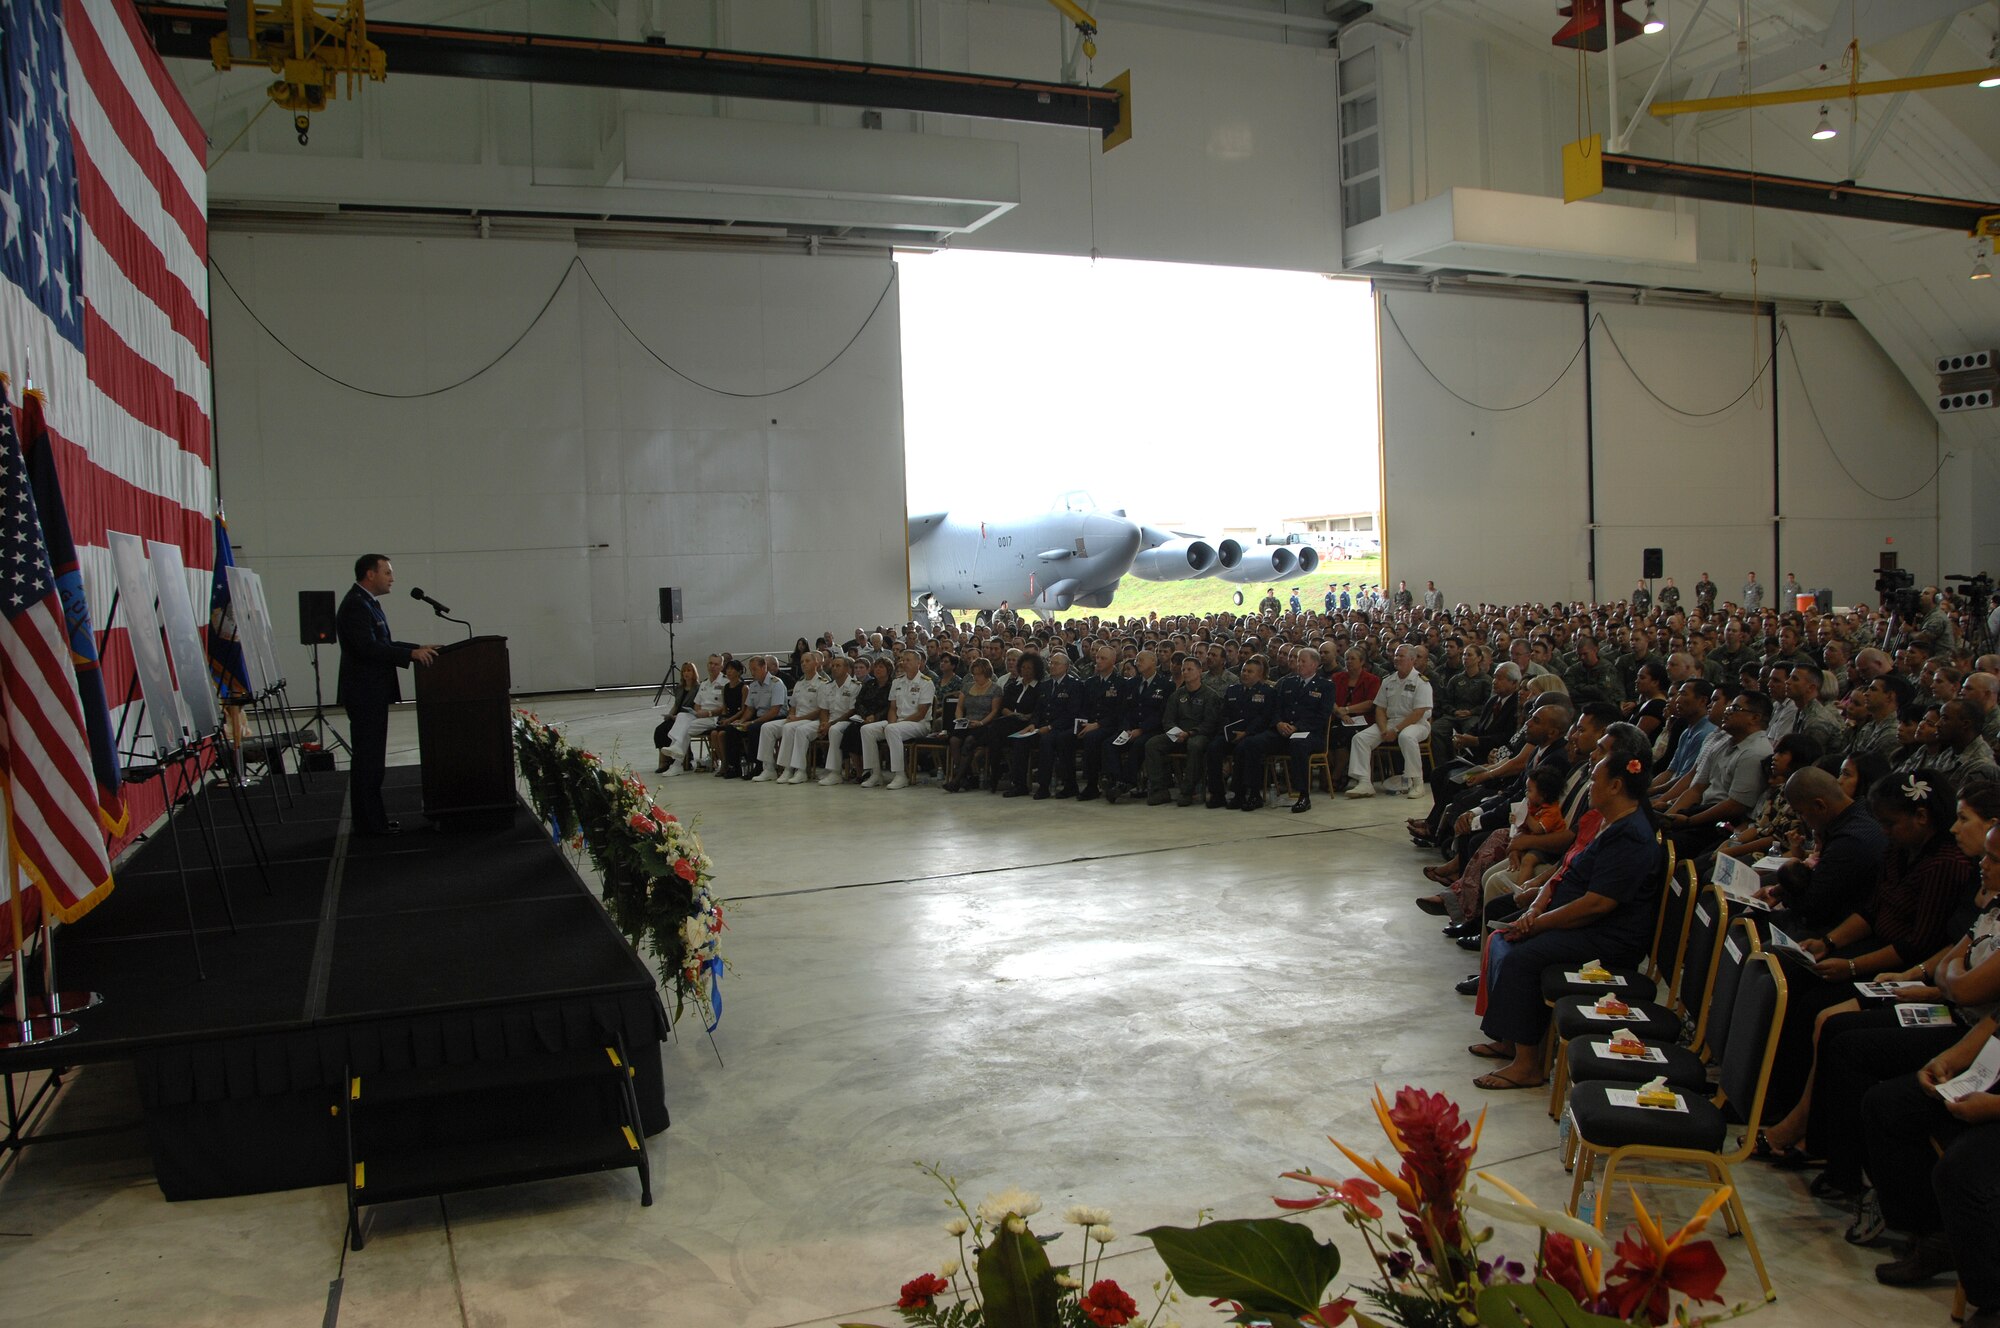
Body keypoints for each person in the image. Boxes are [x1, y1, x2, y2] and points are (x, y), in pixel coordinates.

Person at [1469, 723, 1664, 1090]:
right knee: (1502, 935)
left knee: (1521, 954)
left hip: (1608, 937)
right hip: (1578, 918)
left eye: (1595, 780)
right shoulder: (1609, 821)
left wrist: (1539, 924)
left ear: (1617, 786)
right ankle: (1508, 1038)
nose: (1589, 785)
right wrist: (1537, 908)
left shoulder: (1633, 835)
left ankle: (1528, 1065)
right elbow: (1568, 869)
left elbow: (1597, 904)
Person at [336, 555, 440, 835]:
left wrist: (417, 647)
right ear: (370, 574)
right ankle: (370, 826)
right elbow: (367, 649)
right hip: (364, 692)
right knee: (367, 760)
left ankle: (374, 821)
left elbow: (384, 643)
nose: (392, 578)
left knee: (372, 760)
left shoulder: (367, 602)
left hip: (372, 692)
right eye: (388, 572)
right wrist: (410, 654)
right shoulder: (356, 605)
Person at [1346, 645, 1433, 799]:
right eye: (1396, 655)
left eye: (1401, 656)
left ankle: (1417, 782)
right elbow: (1380, 708)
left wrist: (1397, 730)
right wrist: (1384, 728)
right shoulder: (1388, 680)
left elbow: (1418, 712)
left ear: (1412, 660)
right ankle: (1364, 782)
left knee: (1406, 737)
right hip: (1390, 723)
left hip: (1416, 724)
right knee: (1360, 738)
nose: (1396, 658)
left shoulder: (1421, 682)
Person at [1144, 657, 1222, 806]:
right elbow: (1168, 719)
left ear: (1200, 671)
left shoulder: (1210, 695)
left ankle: (1187, 790)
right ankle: (1159, 790)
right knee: (1152, 744)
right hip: (1177, 734)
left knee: (1195, 745)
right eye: (1183, 670)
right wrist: (1176, 733)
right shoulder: (1177, 695)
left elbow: (1210, 723)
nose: (1185, 672)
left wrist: (1190, 733)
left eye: (1189, 669)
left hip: (1199, 734)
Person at [860, 650, 935, 790]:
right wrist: (893, 723)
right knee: (867, 729)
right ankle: (875, 774)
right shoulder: (897, 682)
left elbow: (921, 712)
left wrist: (894, 725)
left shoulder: (926, 683)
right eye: (903, 660)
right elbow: (893, 708)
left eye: (908, 660)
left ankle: (900, 775)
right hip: (898, 723)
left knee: (892, 729)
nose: (904, 663)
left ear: (918, 663)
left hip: (919, 724)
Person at [760, 651, 827, 782]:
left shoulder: (822, 683)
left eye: (807, 661)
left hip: (814, 720)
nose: (804, 664)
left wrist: (797, 719)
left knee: (791, 728)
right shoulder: (799, 683)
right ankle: (768, 769)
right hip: (797, 719)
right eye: (802, 662)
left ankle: (794, 770)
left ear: (816, 663)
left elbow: (821, 710)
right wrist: (791, 715)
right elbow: (793, 706)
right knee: (767, 728)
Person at [943, 657, 1004, 793]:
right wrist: (960, 719)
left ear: (987, 673)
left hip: (984, 725)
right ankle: (965, 776)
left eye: (979, 674)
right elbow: (959, 707)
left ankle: (957, 780)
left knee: (969, 742)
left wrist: (981, 722)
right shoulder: (967, 686)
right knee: (954, 740)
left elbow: (994, 711)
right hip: (967, 722)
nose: (976, 677)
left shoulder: (995, 689)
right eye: (974, 674)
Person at [661, 655, 727, 776]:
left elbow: (726, 706)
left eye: (716, 664)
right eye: (710, 663)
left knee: (686, 728)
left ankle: (676, 762)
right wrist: (697, 712)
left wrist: (708, 713)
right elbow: (697, 704)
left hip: (714, 717)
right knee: (681, 715)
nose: (712, 666)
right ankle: (676, 754)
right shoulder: (704, 683)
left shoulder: (725, 682)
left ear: (721, 666)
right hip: (700, 715)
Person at [653, 661, 701, 773]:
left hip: (688, 716)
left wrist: (677, 716)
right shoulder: (679, 688)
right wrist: (670, 715)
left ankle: (676, 759)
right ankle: (664, 760)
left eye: (689, 670)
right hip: (676, 715)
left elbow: (696, 707)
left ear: (694, 673)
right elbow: (676, 704)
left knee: (670, 729)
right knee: (660, 730)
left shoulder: (698, 688)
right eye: (684, 671)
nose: (686, 673)